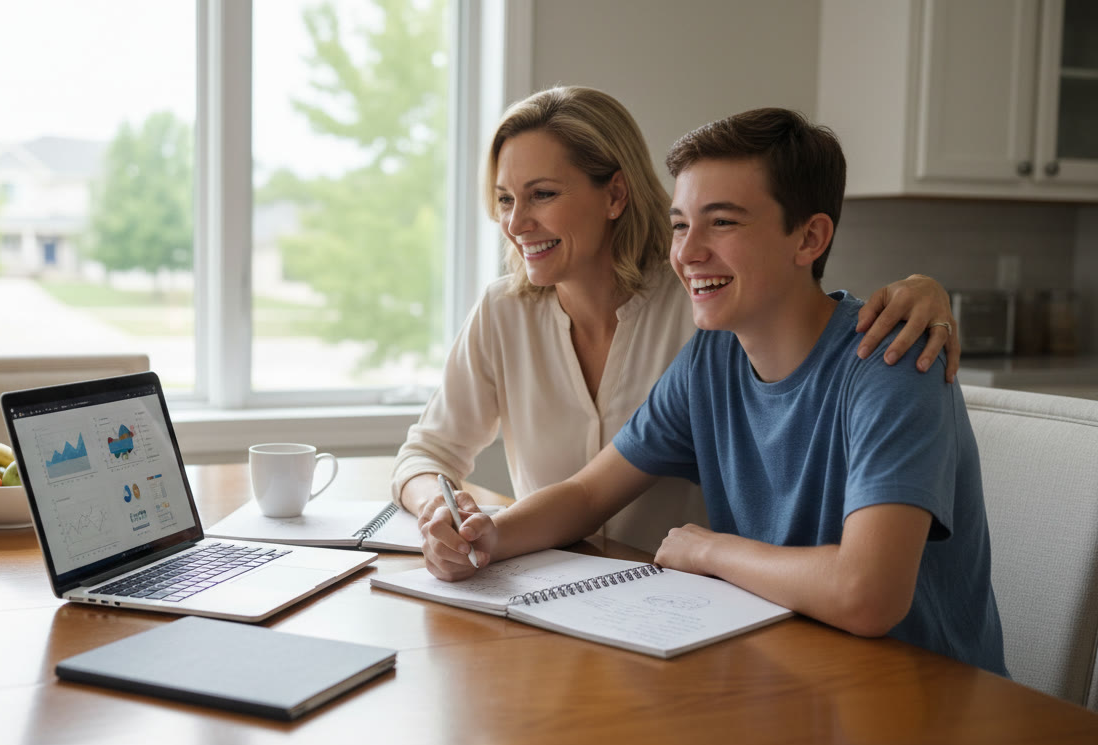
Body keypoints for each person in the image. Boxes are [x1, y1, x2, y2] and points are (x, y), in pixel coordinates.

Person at [421, 106, 1007, 675]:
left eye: (722, 222)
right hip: (790, 673)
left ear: (809, 239)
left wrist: (708, 551)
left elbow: (867, 595)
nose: (688, 251)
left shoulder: (895, 362)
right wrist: (488, 537)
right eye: (680, 224)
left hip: (920, 700)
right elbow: (586, 494)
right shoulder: (713, 357)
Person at [392, 86, 962, 552]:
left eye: (541, 194)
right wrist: (475, 533)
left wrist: (924, 289)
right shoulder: (704, 349)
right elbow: (583, 495)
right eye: (505, 201)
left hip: (714, 607)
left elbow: (868, 593)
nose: (516, 224)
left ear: (615, 194)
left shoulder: (712, 313)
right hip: (645, 605)